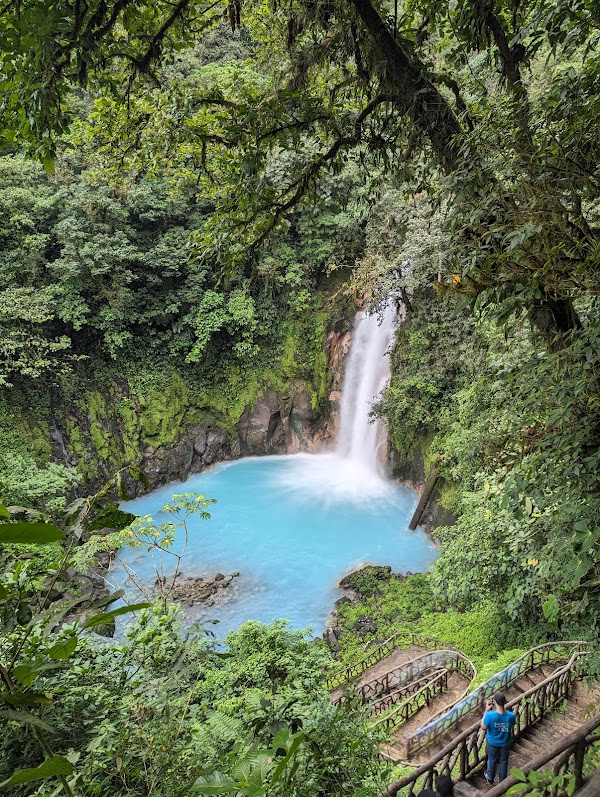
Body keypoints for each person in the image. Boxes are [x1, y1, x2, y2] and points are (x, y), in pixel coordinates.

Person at [481, 691, 516, 786]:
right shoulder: (511, 716)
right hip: (505, 742)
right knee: (503, 761)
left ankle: (490, 778)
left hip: (492, 742)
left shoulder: (490, 715)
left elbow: (483, 727)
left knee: (491, 760)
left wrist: (486, 710)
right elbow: (512, 725)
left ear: (494, 702)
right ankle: (502, 783)